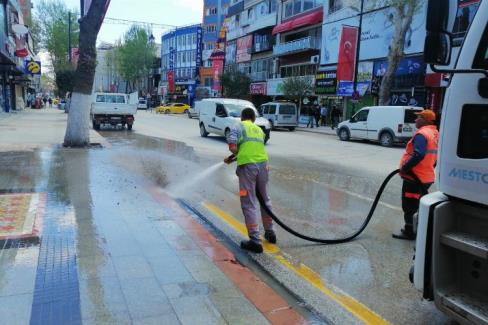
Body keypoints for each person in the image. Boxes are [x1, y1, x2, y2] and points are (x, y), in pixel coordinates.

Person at [225, 107, 276, 253]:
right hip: (263, 165)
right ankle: (270, 232)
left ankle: (255, 241)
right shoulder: (258, 129)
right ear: (253, 119)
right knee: (265, 199)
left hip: (248, 167)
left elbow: (233, 146)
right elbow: (252, 148)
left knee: (249, 202)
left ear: (242, 117)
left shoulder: (238, 126)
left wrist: (235, 155)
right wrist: (237, 156)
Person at [393, 110, 439, 240]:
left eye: (418, 118)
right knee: (418, 205)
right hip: (426, 177)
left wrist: (404, 168)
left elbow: (419, 154)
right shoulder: (435, 133)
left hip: (414, 178)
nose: (415, 120)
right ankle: (419, 229)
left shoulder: (422, 134)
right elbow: (434, 156)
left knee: (409, 205)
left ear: (425, 120)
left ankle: (409, 232)